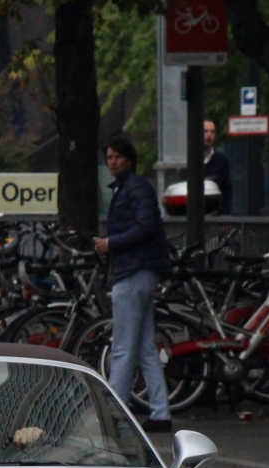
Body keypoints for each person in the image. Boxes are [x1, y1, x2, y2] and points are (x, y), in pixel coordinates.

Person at [93, 135, 174, 432]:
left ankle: (113, 413)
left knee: (123, 347)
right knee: (144, 348)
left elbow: (144, 226)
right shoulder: (134, 187)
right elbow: (147, 226)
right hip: (143, 269)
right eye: (109, 157)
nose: (112, 162)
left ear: (128, 158)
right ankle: (160, 412)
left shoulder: (133, 189)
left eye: (117, 157)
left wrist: (110, 243)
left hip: (133, 270)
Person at [202, 120, 233, 215]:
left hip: (216, 215)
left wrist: (225, 216)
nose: (209, 135)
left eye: (212, 132)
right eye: (205, 131)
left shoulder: (221, 160)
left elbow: (226, 189)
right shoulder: (189, 159)